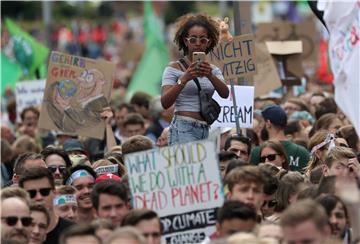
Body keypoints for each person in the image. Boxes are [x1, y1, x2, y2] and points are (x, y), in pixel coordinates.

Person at [161, 13, 229, 145]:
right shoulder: (173, 68)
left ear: (209, 42)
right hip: (183, 128)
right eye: (193, 39)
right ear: (186, 41)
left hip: (206, 129)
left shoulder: (213, 70)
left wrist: (210, 75)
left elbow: (225, 94)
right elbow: (165, 103)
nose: (198, 43)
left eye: (202, 40)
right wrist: (185, 78)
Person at [19, 167, 74, 244]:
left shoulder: (73, 232)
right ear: (23, 198)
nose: (39, 198)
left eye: (44, 192)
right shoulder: (16, 235)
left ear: (54, 193)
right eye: (31, 193)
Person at [250, 105, 310, 172]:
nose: (260, 126)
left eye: (262, 123)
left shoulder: (257, 152)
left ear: (268, 123)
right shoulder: (302, 152)